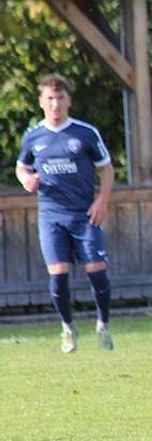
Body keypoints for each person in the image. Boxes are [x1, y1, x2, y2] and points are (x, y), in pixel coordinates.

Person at [15, 74, 115, 353]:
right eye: (50, 98)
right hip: (51, 217)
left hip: (84, 215)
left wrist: (102, 201)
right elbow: (22, 167)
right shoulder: (34, 136)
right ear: (41, 101)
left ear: (69, 100)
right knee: (58, 275)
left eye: (60, 98)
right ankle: (68, 329)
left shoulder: (85, 133)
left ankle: (103, 325)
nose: (55, 104)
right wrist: (26, 179)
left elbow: (106, 169)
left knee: (96, 270)